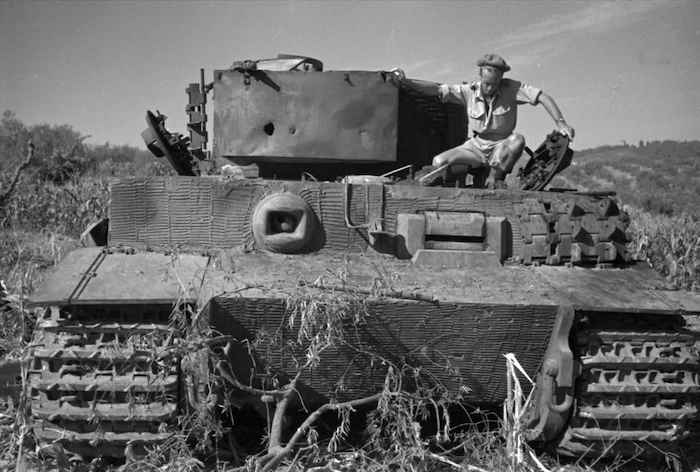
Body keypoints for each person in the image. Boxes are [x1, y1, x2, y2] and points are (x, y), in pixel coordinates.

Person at [393, 54, 575, 188]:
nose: (489, 87)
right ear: (480, 75)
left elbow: (542, 97)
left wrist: (561, 123)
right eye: (486, 82)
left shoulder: (511, 88)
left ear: (500, 80)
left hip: (501, 146)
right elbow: (437, 90)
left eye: (494, 84)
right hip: (476, 146)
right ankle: (468, 178)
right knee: (439, 162)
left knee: (517, 141)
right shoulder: (468, 91)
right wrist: (407, 82)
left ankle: (499, 178)